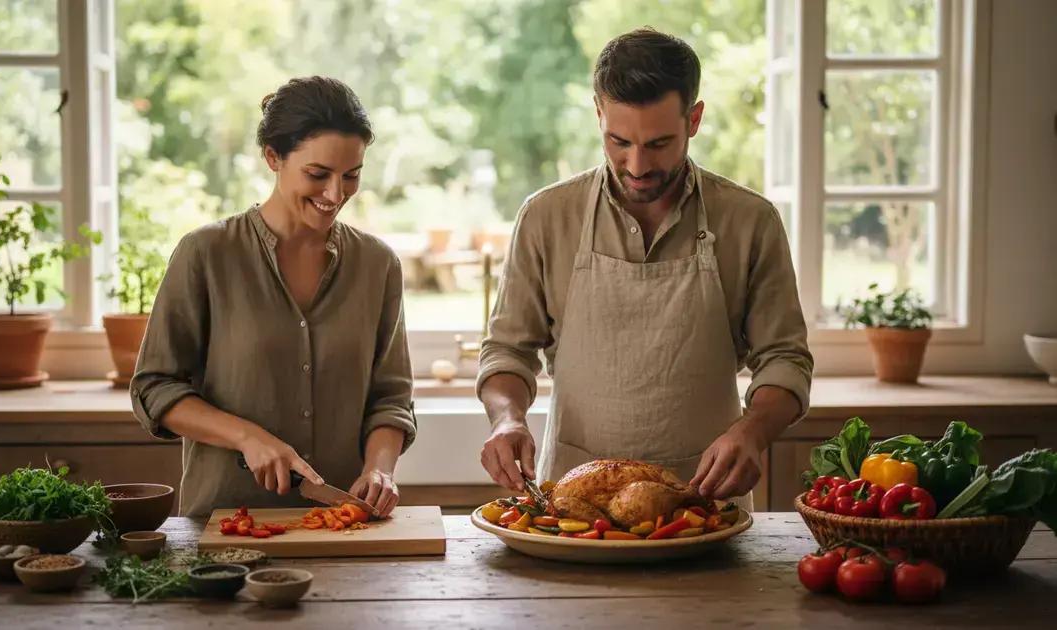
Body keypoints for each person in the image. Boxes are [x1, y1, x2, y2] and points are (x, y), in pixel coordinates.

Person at [478, 28, 813, 508]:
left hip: (704, 505)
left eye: (658, 144)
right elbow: (508, 351)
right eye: (619, 141)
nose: (636, 165)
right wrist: (507, 419)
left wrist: (753, 431)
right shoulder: (547, 216)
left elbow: (786, 358)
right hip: (573, 507)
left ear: (693, 120)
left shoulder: (749, 221)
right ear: (598, 114)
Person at [132, 76, 414, 517]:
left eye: (351, 176)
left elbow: (390, 398)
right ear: (272, 157)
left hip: (341, 526)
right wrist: (247, 436)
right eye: (317, 174)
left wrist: (380, 470)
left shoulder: (378, 265)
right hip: (225, 525)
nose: (336, 194)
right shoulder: (206, 254)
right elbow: (154, 387)